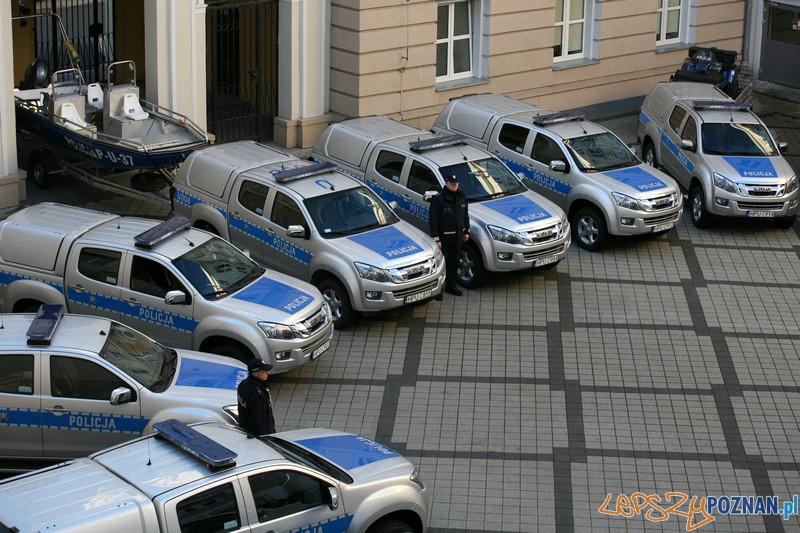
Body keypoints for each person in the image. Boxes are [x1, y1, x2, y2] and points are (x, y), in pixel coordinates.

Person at [429, 174, 470, 297]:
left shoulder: (461, 195)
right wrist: (437, 239)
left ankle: (451, 287)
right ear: (446, 183)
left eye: (456, 183)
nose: (455, 186)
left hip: (458, 237)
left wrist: (466, 230)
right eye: (452, 184)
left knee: (454, 263)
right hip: (444, 239)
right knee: (442, 265)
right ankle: (439, 291)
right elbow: (433, 220)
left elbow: (465, 214)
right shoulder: (439, 199)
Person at [237, 358, 275, 436]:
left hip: (245, 429)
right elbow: (259, 422)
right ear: (255, 374)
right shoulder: (257, 394)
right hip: (260, 436)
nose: (267, 373)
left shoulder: (243, 384)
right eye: (264, 371)